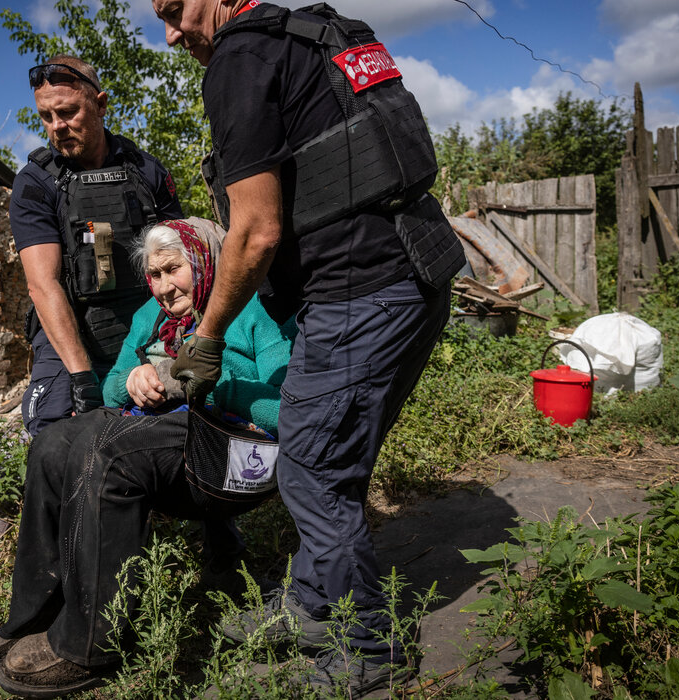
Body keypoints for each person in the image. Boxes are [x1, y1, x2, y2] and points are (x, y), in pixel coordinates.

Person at [151, 0, 467, 693]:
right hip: (421, 273)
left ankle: (368, 646)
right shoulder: (325, 33)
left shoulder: (239, 55)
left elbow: (256, 230)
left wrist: (207, 337)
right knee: (320, 453)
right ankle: (313, 604)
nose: (172, 34)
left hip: (360, 294)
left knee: (314, 470)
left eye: (174, 10)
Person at [0, 217, 294, 698]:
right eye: (154, 274)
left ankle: (89, 645)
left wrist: (218, 386)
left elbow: (287, 410)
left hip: (222, 446)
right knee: (53, 444)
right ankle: (38, 611)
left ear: (203, 262)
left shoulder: (245, 315)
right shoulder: (148, 317)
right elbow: (112, 384)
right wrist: (134, 379)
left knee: (110, 455)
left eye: (172, 270)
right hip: (154, 432)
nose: (162, 286)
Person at [11, 54, 183, 436]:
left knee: (177, 420)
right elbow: (43, 284)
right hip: (69, 336)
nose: (56, 127)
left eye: (68, 112)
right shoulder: (35, 184)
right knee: (56, 438)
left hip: (145, 326)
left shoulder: (146, 171)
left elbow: (182, 257)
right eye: (46, 116)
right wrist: (82, 377)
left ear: (101, 104)